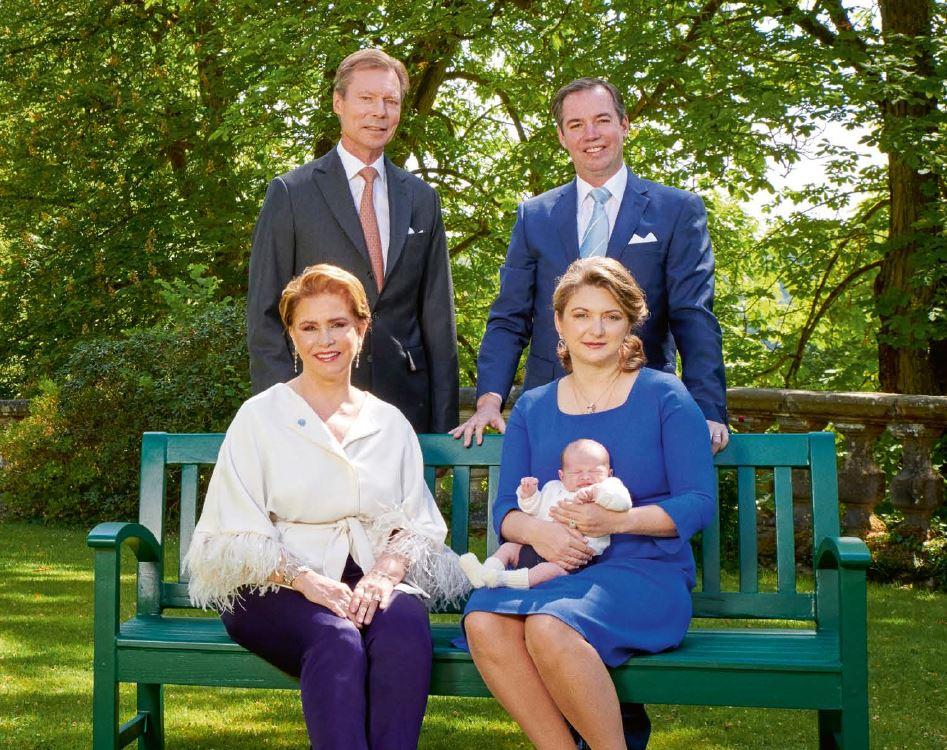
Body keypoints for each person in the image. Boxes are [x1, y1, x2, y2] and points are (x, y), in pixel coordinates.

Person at [185, 264, 467, 750]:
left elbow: (415, 521)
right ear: (292, 337)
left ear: (362, 328)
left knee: (402, 629)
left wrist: (383, 574)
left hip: (369, 573)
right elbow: (234, 529)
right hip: (272, 582)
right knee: (337, 640)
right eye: (309, 327)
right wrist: (307, 581)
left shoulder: (389, 421)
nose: (325, 340)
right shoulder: (260, 416)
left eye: (338, 324)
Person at [462, 257, 715, 750]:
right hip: (555, 568)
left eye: (611, 315)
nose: (595, 329)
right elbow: (507, 513)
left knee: (549, 625)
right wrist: (541, 533)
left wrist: (615, 520)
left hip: (645, 574)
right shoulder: (534, 406)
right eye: (580, 315)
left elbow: (699, 502)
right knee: (483, 620)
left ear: (631, 322)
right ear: (558, 322)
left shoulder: (666, 394)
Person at [452, 76, 728, 453]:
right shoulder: (535, 216)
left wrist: (707, 408)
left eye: (601, 120)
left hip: (644, 408)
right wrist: (489, 400)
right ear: (562, 137)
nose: (590, 134)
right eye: (576, 125)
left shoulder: (676, 210)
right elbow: (509, 316)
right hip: (550, 409)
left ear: (624, 124)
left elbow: (693, 315)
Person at [247, 48, 458, 433]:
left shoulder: (421, 198)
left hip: (406, 406)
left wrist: (442, 423)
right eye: (367, 98)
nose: (380, 111)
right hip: (313, 405)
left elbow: (438, 318)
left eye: (391, 101)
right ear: (338, 103)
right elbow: (264, 316)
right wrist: (282, 413)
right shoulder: (291, 194)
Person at [458, 438, 632, 589]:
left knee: (548, 571)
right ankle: (485, 572)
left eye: (595, 472)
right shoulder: (552, 488)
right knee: (508, 548)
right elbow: (534, 510)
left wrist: (598, 494)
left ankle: (504, 580)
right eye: (577, 472)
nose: (586, 477)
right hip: (537, 546)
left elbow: (623, 502)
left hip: (573, 560)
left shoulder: (609, 487)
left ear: (609, 474)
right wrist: (529, 495)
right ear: (562, 476)